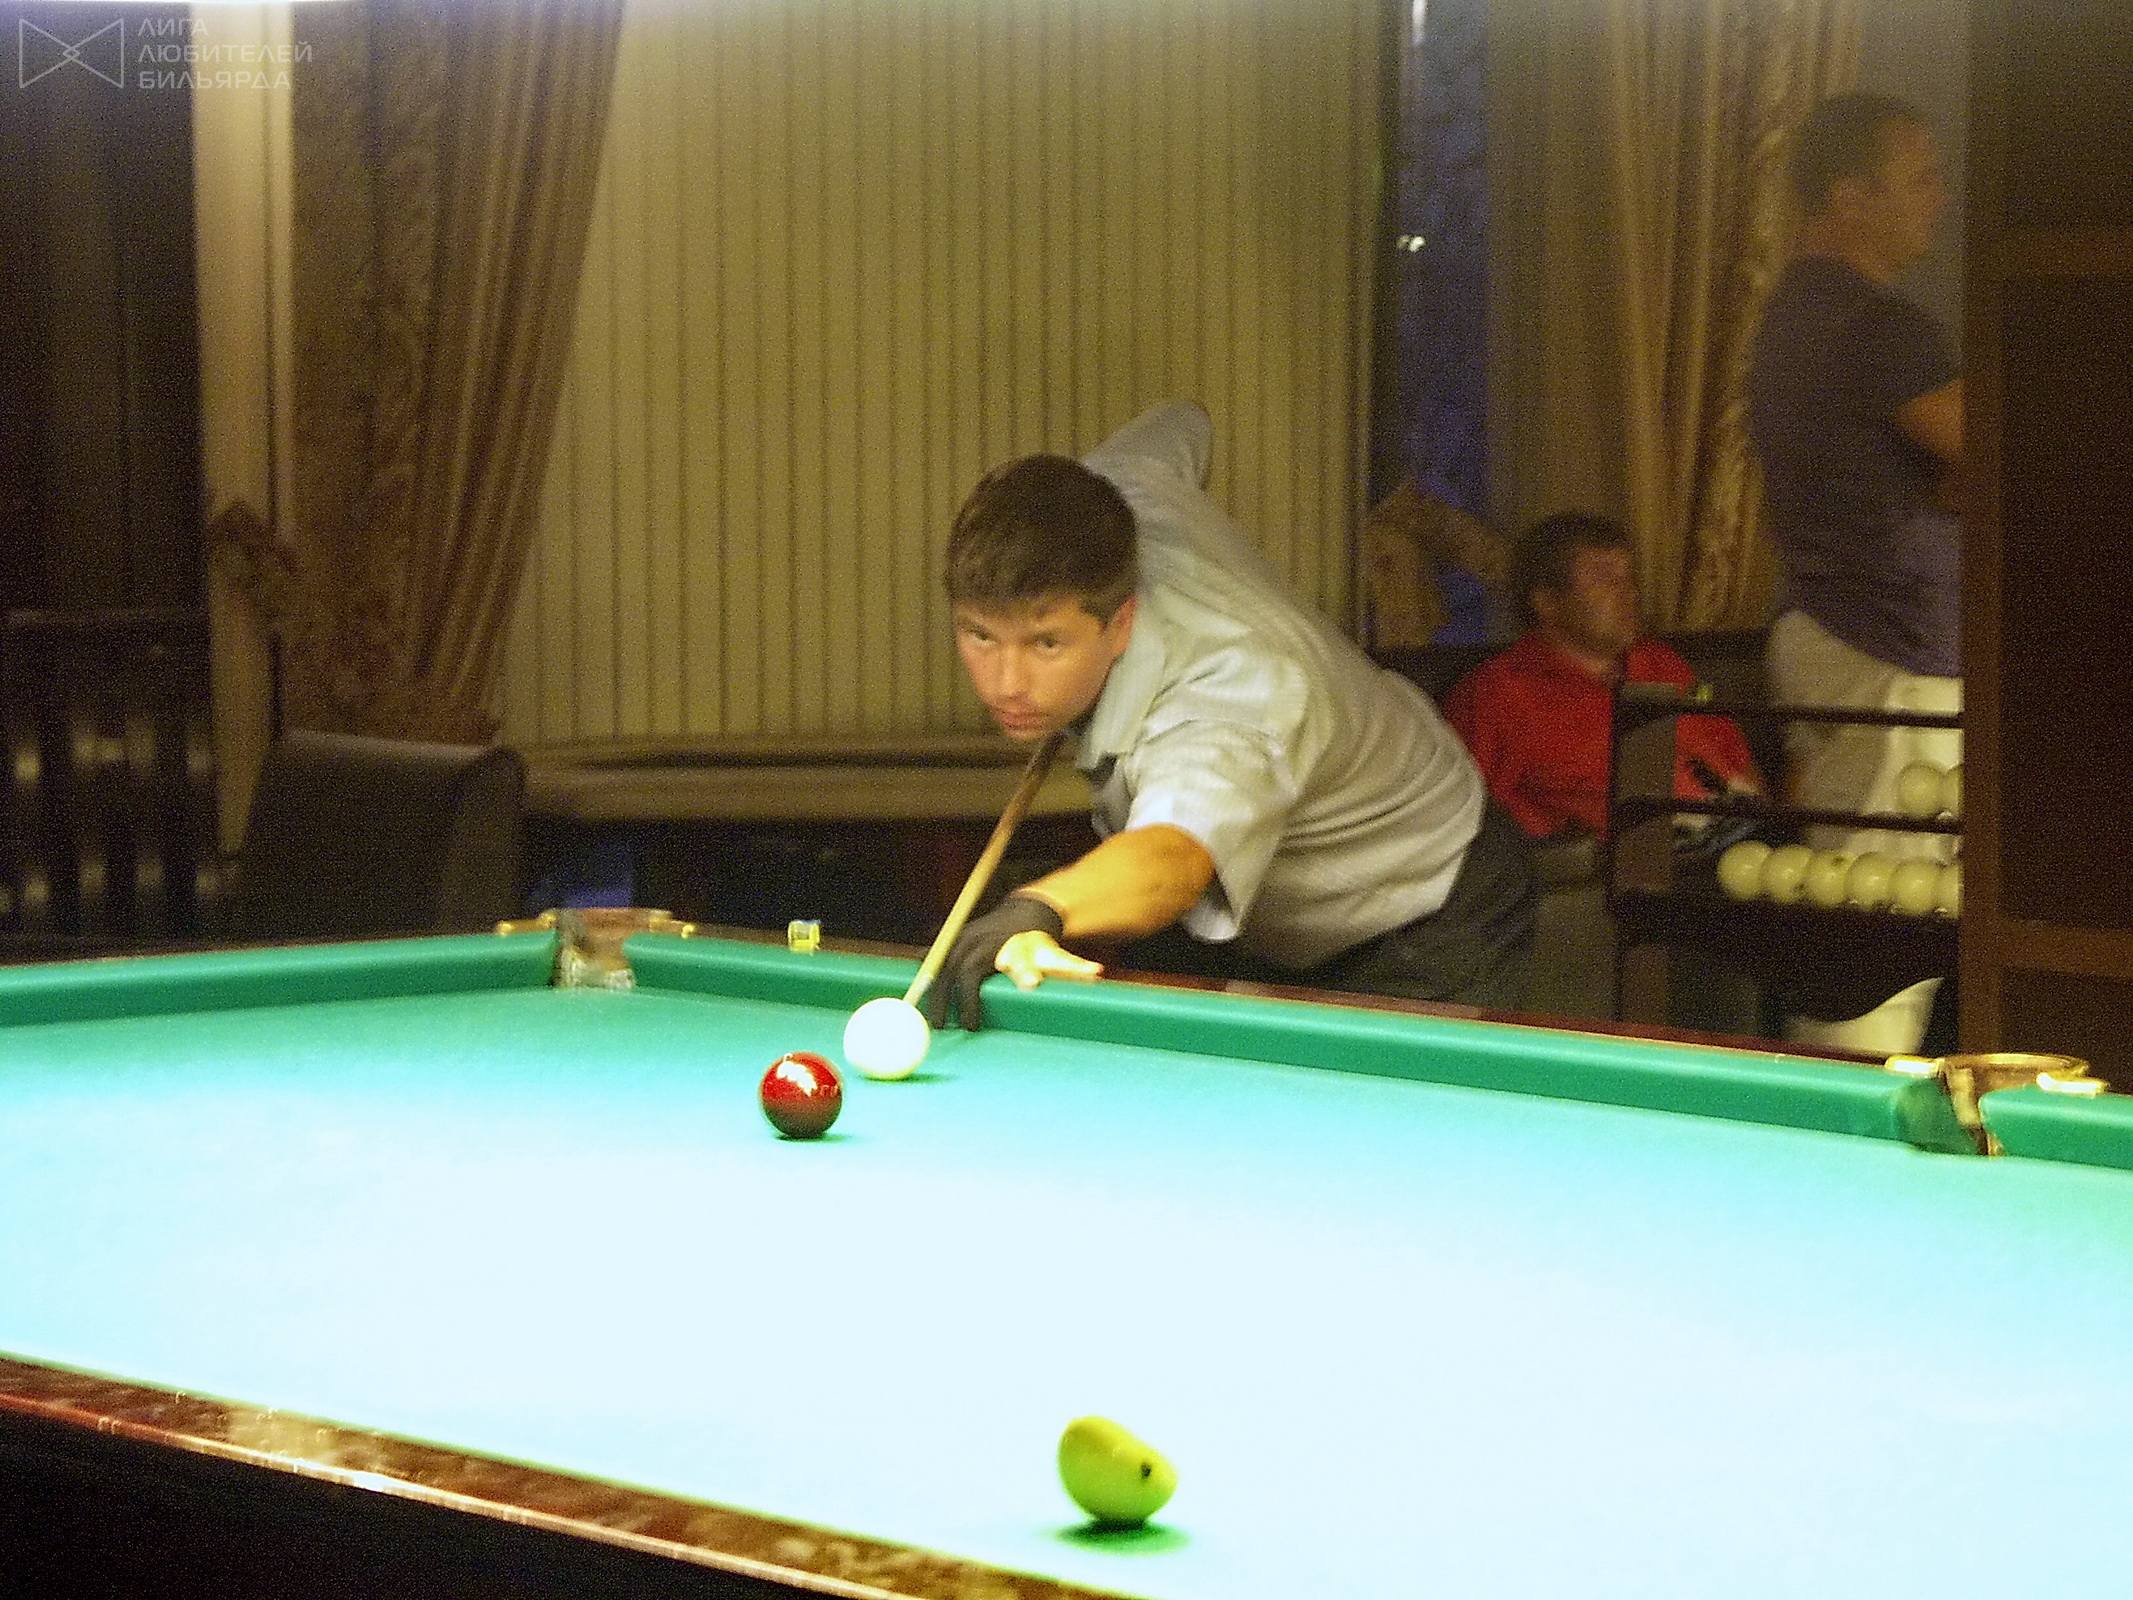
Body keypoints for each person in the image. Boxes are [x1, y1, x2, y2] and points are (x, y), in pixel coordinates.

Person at [929, 399, 1536, 1031]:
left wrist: (1041, 906)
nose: (1006, 683)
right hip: (1279, 910)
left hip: (1428, 897)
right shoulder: (1121, 492)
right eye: (980, 636)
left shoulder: (1228, 695)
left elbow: (1174, 860)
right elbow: (1182, 422)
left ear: (1122, 622)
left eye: (1046, 643)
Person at [1746, 92, 1962, 1055]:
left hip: (1825, 631)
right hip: (1888, 648)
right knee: (1882, 927)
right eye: (1920, 177)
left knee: (1866, 912)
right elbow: (2008, 456)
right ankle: (1845, 1130)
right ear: (1848, 194)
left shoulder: (1792, 316)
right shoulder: (1876, 326)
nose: (1939, 197)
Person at [1442, 511, 1762, 842]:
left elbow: (1737, 757)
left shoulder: (1662, 663)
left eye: (1628, 578)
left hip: (1745, 850)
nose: (1629, 593)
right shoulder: (1497, 695)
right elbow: (1463, 823)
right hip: (1618, 866)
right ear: (1548, 603)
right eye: (1605, 579)